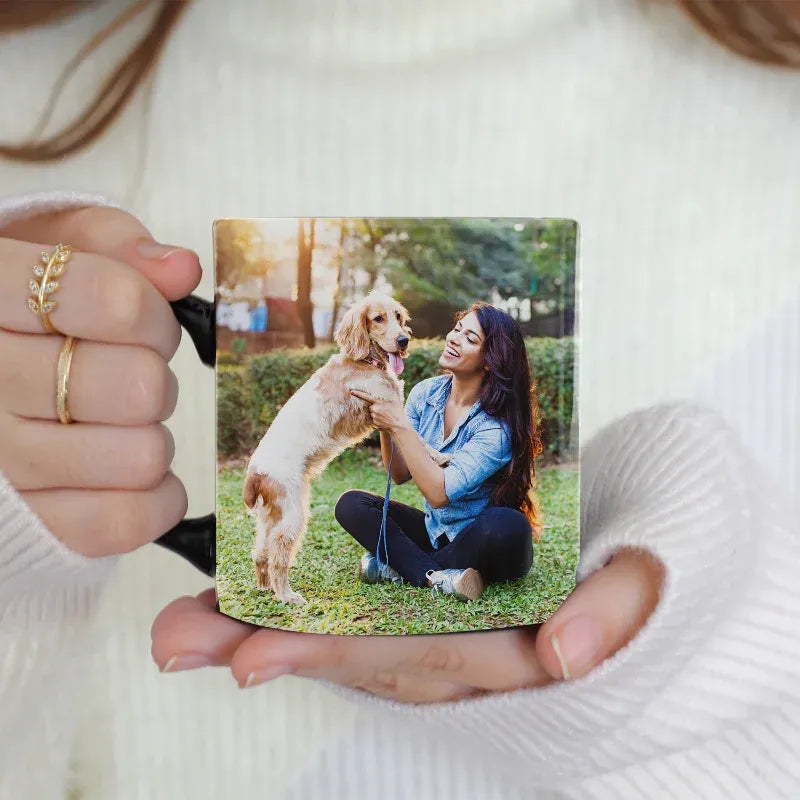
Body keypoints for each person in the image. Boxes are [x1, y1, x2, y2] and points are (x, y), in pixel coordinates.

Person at [0, 1, 798, 797]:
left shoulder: (495, 418)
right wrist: (17, 556)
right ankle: (428, 576)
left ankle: (425, 571)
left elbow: (448, 486)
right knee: (351, 512)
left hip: (482, 528)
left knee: (492, 527)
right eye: (432, 327)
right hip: (406, 519)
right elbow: (395, 470)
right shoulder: (26, 103)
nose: (433, 337)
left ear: (500, 357)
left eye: (459, 335)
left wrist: (694, 683)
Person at [337, 303, 541, 602]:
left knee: (507, 524)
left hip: (483, 538)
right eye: (458, 329)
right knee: (351, 504)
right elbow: (399, 473)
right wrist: (384, 416)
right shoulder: (426, 393)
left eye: (470, 339)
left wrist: (399, 424)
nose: (454, 338)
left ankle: (402, 568)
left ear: (490, 361)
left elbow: (438, 494)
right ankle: (438, 576)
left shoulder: (496, 428)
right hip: (436, 532)